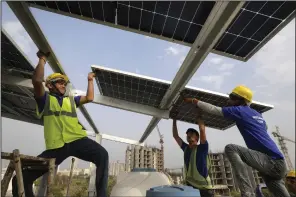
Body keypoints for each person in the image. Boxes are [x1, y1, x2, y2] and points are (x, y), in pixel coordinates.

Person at [12, 50, 109, 197]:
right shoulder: (44, 100)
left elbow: (89, 97)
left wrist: (90, 80)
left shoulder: (70, 100)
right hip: (56, 147)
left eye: (64, 83)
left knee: (102, 155)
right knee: (20, 177)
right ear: (50, 86)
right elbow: (37, 81)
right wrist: (42, 59)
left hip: (77, 140)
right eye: (60, 82)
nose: (64, 85)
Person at [184, 85, 290, 197]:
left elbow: (214, 109)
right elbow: (264, 128)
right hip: (279, 164)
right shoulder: (258, 115)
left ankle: (247, 192)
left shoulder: (239, 110)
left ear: (242, 100)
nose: (229, 100)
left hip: (271, 162)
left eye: (232, 97)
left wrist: (194, 101)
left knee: (231, 148)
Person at [171, 109, 214, 197]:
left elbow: (202, 130)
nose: (188, 135)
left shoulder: (202, 148)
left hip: (204, 189)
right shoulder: (186, 148)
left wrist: (199, 117)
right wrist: (174, 119)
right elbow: (175, 136)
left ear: (197, 137)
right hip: (190, 188)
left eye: (191, 133)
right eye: (187, 134)